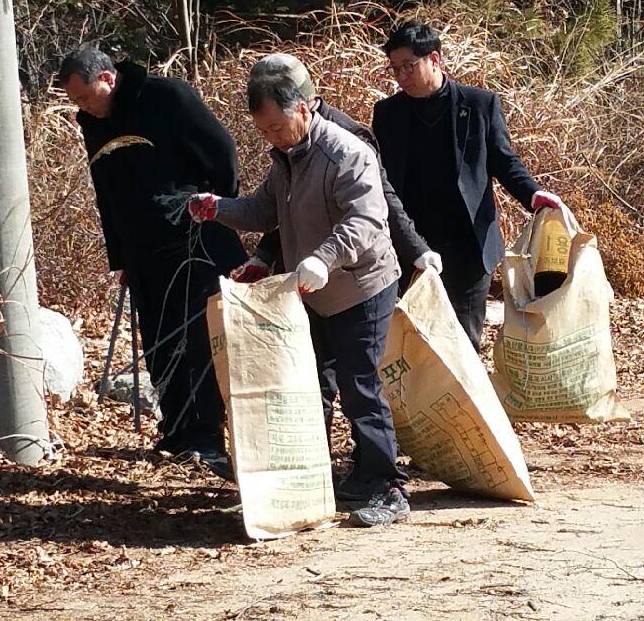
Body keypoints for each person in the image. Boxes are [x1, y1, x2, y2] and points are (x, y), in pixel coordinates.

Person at [187, 70, 411, 527]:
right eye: (262, 130)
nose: (271, 137)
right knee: (315, 387)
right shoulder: (286, 158)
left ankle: (387, 486)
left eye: (275, 126)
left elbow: (366, 222)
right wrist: (219, 208)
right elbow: (264, 210)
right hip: (313, 291)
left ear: (304, 109)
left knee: (360, 385)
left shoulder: (346, 153)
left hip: (361, 285)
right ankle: (318, 479)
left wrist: (322, 258)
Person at [57, 44, 246, 477]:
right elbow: (106, 194)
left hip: (193, 244)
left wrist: (212, 212)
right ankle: (178, 431)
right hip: (140, 252)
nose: (83, 108)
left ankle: (208, 439)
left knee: (197, 342)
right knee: (160, 345)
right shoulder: (93, 122)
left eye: (86, 96)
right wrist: (119, 256)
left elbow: (223, 157)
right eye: (76, 102)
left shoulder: (168, 98)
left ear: (107, 78)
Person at [372, 21, 566, 350]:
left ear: (434, 59)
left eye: (409, 66)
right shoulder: (387, 113)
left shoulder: (478, 104)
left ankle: (463, 403)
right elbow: (381, 178)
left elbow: (504, 161)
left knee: (463, 342)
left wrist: (533, 195)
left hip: (467, 244)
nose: (401, 76)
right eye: (395, 69)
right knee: (409, 341)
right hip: (409, 243)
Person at [230, 53, 439, 283]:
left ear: (297, 103)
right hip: (301, 265)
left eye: (276, 126)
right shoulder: (289, 138)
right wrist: (263, 255)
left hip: (349, 275)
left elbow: (377, 202)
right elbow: (290, 201)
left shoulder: (346, 140)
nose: (271, 137)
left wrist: (416, 250)